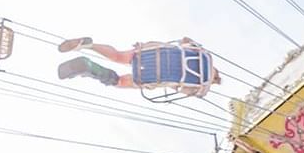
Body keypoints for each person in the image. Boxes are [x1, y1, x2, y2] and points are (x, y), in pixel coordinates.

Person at [56, 36, 220, 97]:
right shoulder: (201, 88)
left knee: (118, 56)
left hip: (151, 52)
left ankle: (89, 46)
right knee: (119, 81)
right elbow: (177, 88)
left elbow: (184, 40)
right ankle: (90, 67)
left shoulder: (203, 54)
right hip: (152, 75)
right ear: (213, 80)